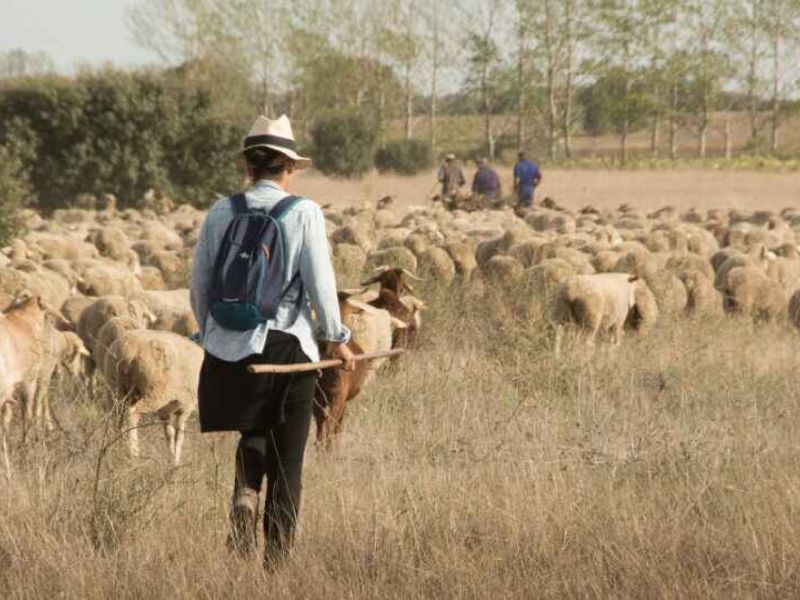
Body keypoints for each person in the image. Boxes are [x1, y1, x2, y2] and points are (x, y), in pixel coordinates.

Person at [190, 114, 355, 567]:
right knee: (289, 461)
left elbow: (200, 284)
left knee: (253, 427)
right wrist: (337, 339)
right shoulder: (302, 212)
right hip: (287, 346)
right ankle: (275, 565)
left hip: (229, 348)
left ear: (248, 167)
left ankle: (245, 494)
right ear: (290, 168)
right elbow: (321, 284)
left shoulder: (221, 212)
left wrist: (212, 334)